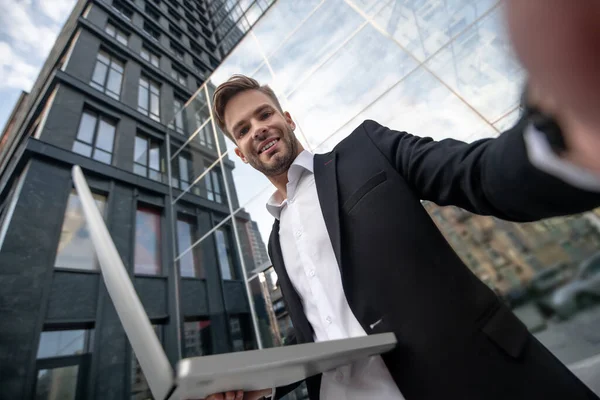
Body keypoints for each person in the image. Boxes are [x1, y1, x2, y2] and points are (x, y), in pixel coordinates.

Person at [201, 73, 600, 400]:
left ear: (287, 119)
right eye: (243, 129)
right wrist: (259, 381)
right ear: (240, 153)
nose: (258, 129)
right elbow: (318, 327)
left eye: (264, 114)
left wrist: (561, 133)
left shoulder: (367, 151)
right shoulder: (276, 239)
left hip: (470, 381)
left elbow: (472, 173)